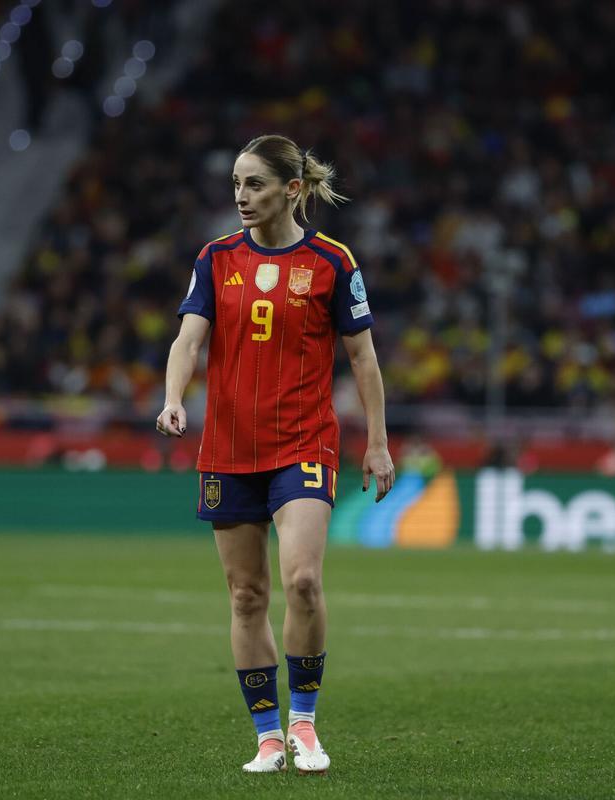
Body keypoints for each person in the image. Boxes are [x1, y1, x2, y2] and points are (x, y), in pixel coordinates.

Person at [157, 134, 394, 774]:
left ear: (292, 190)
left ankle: (305, 725)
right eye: (235, 183)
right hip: (228, 447)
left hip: (304, 443)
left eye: (254, 184)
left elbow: (363, 358)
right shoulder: (215, 259)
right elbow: (188, 338)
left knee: (303, 582)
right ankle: (266, 736)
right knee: (245, 597)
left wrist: (375, 441)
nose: (241, 196)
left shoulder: (333, 262)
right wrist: (175, 397)